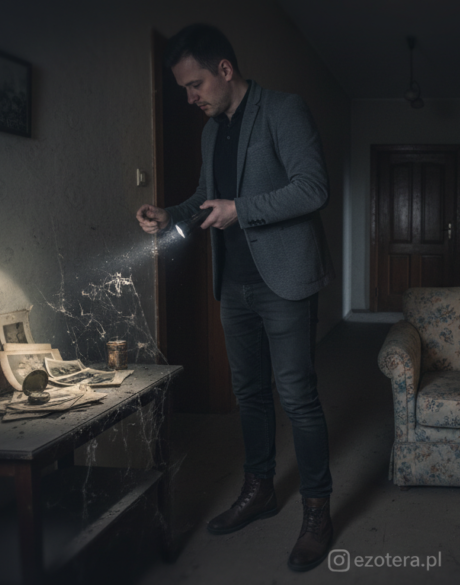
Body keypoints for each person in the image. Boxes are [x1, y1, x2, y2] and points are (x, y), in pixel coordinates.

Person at [135, 23, 334, 572]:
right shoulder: (209, 133)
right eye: (184, 89)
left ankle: (317, 511)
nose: (190, 98)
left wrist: (241, 210)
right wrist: (170, 214)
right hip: (234, 283)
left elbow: (313, 187)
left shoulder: (284, 109)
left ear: (225, 70)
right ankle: (260, 489)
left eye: (195, 85)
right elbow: (206, 198)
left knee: (297, 397)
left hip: (285, 280)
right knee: (249, 394)